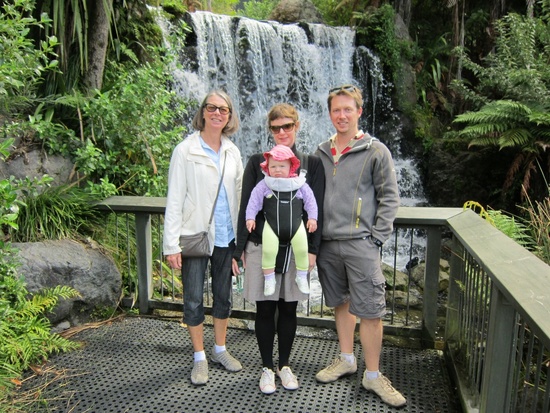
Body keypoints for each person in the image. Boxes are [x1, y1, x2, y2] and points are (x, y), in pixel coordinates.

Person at [314, 85, 406, 408]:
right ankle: (346, 359)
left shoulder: (375, 150)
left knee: (370, 311)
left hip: (360, 244)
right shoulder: (321, 152)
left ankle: (374, 375)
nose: (341, 115)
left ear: (359, 112)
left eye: (347, 109)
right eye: (336, 110)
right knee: (340, 304)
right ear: (330, 113)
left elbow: (389, 198)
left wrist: (376, 238)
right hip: (327, 244)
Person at [232, 103, 325, 394]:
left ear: (297, 126)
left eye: (287, 126)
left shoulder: (311, 165)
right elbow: (247, 206)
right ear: (270, 130)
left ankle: (285, 365)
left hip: (296, 249)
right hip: (262, 246)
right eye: (276, 128)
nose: (282, 132)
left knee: (288, 308)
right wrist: (239, 248)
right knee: (264, 307)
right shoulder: (257, 163)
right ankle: (266, 368)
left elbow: (316, 209)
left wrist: (313, 250)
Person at [163, 90, 244, 386]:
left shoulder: (233, 151)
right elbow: (174, 199)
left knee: (223, 296)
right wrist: (171, 245)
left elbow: (239, 198)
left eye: (223, 109)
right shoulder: (185, 150)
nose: (217, 113)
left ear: (229, 116)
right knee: (194, 299)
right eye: (212, 107)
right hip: (195, 235)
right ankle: (199, 356)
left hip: (226, 237)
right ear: (203, 112)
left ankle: (220, 349)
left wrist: (241, 245)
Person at [245, 144, 318, 296]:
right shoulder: (264, 184)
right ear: (267, 168)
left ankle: (301, 276)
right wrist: (250, 218)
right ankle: (269, 279)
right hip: (271, 226)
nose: (277, 170)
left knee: (302, 249)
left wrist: (312, 218)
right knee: (268, 251)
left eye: (282, 166)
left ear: (291, 166)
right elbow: (253, 201)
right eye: (273, 166)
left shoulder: (300, 184)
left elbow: (311, 201)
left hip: (296, 226)